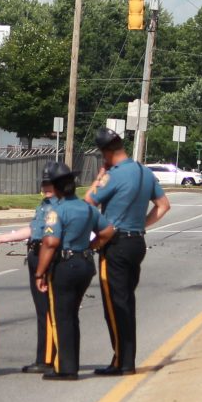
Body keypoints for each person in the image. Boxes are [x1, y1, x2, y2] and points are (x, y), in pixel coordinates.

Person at [84, 127, 171, 376]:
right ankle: (126, 360)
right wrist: (140, 225)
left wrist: (99, 177)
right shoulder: (144, 172)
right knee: (126, 301)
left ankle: (121, 361)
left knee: (114, 305)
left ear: (105, 153)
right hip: (136, 242)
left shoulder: (115, 174)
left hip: (116, 245)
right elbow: (163, 205)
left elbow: (89, 201)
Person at [35, 164, 117, 380]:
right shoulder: (87, 208)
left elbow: (51, 242)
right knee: (72, 316)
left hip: (65, 265)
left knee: (62, 316)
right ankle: (70, 363)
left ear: (57, 188)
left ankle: (65, 368)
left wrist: (40, 272)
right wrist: (91, 247)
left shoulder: (56, 211)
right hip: (85, 263)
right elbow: (107, 230)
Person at [0, 162, 59, 373]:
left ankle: (47, 358)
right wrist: (4, 238)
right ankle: (46, 356)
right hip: (36, 253)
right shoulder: (44, 204)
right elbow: (33, 229)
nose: (46, 188)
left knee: (47, 310)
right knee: (42, 310)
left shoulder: (57, 206)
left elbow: (49, 237)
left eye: (50, 184)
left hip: (46, 256)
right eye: (44, 184)